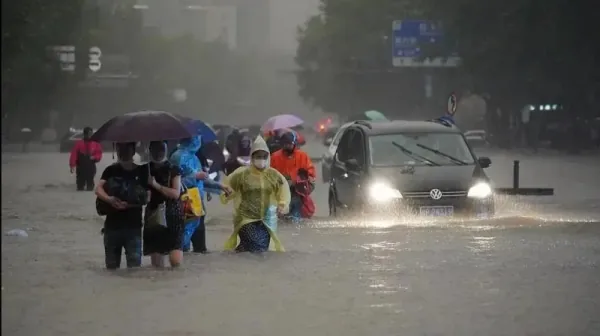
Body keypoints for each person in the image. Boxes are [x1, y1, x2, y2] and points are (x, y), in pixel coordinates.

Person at [220, 136, 290, 252]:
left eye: (263, 156)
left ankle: (240, 261)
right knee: (256, 246)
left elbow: (283, 192)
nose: (261, 159)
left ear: (268, 157)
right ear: (252, 157)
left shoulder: (274, 175)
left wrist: (282, 206)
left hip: (266, 221)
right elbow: (227, 188)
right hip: (245, 218)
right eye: (258, 156)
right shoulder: (241, 174)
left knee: (257, 250)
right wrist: (227, 194)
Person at [169, 134, 230, 253]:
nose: (198, 141)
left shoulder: (195, 158)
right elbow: (174, 182)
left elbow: (202, 180)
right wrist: (195, 176)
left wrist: (220, 186)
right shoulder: (177, 157)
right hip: (184, 206)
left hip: (198, 207)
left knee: (200, 250)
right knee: (182, 246)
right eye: (196, 137)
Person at [95, 142, 149, 270]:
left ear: (133, 150)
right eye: (120, 148)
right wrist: (110, 200)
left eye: (127, 148)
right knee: (111, 269)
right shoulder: (110, 170)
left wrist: (130, 204)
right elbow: (98, 189)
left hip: (133, 228)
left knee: (134, 269)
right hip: (112, 227)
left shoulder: (143, 171)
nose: (123, 152)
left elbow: (147, 197)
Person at [142, 141, 184, 268]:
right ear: (150, 150)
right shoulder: (145, 170)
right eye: (155, 149)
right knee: (156, 265)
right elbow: (142, 196)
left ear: (166, 149)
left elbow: (176, 194)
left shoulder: (173, 169)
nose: (159, 152)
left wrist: (156, 185)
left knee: (175, 261)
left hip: (173, 214)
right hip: (153, 215)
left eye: (161, 148)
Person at [270, 131, 316, 221]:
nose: (287, 146)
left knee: (296, 216)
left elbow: (311, 172)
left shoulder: (302, 156)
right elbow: (270, 174)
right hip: (281, 191)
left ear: (294, 143)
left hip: (298, 191)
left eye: (289, 144)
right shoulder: (275, 157)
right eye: (285, 144)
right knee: (280, 215)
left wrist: (304, 181)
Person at [69, 127, 103, 191]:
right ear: (85, 134)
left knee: (90, 185)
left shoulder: (96, 144)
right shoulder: (79, 144)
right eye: (89, 134)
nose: (90, 135)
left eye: (91, 134)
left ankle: (89, 186)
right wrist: (72, 165)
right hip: (80, 167)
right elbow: (74, 155)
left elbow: (99, 153)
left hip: (91, 167)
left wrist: (94, 157)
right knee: (80, 186)